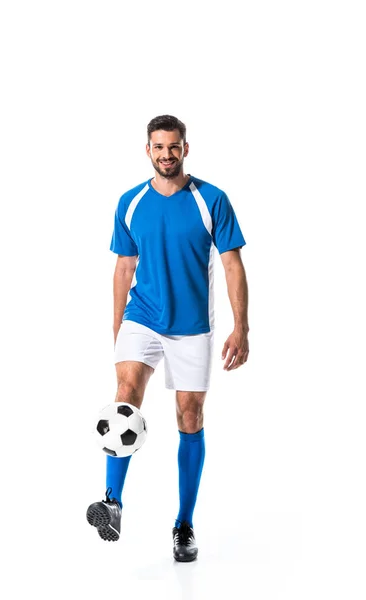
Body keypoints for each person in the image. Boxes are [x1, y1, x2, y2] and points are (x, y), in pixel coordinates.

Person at [86, 114, 249, 562]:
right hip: (142, 316)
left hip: (192, 325)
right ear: (148, 150)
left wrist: (242, 326)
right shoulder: (130, 201)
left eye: (173, 146)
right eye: (158, 147)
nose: (166, 154)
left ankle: (184, 524)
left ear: (185, 149)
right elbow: (123, 267)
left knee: (190, 417)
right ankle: (112, 502)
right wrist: (118, 328)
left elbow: (233, 264)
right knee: (124, 396)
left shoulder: (210, 199)